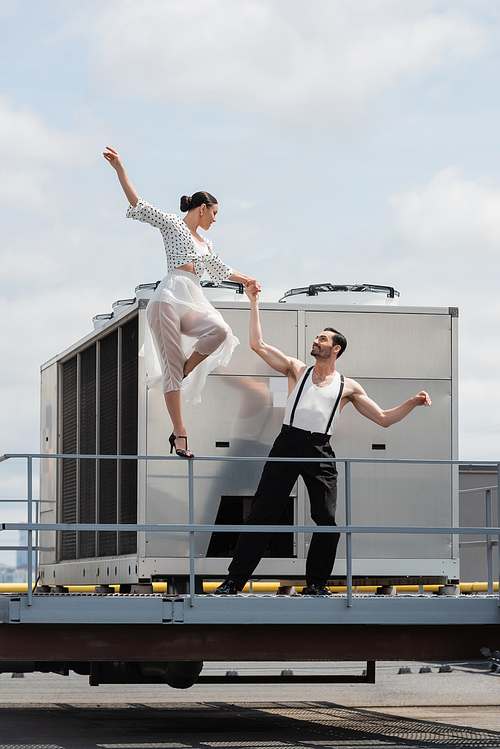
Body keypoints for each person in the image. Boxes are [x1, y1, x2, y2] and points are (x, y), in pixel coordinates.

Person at [214, 285, 432, 596]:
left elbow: (383, 418)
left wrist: (411, 403)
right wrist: (254, 302)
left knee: (327, 519)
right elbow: (257, 344)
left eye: (323, 339)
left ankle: (316, 583)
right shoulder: (297, 369)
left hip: (319, 449)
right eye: (316, 338)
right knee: (263, 513)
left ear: (337, 349)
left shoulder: (348, 386)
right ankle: (233, 581)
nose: (316, 341)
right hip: (286, 445)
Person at [103, 147, 260, 458]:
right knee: (171, 368)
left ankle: (181, 371)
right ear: (201, 209)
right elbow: (139, 205)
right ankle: (180, 433)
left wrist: (248, 280)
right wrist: (120, 168)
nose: (215, 220)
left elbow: (221, 269)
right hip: (167, 298)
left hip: (191, 297)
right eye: (214, 213)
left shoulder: (206, 243)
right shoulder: (173, 225)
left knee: (220, 331)